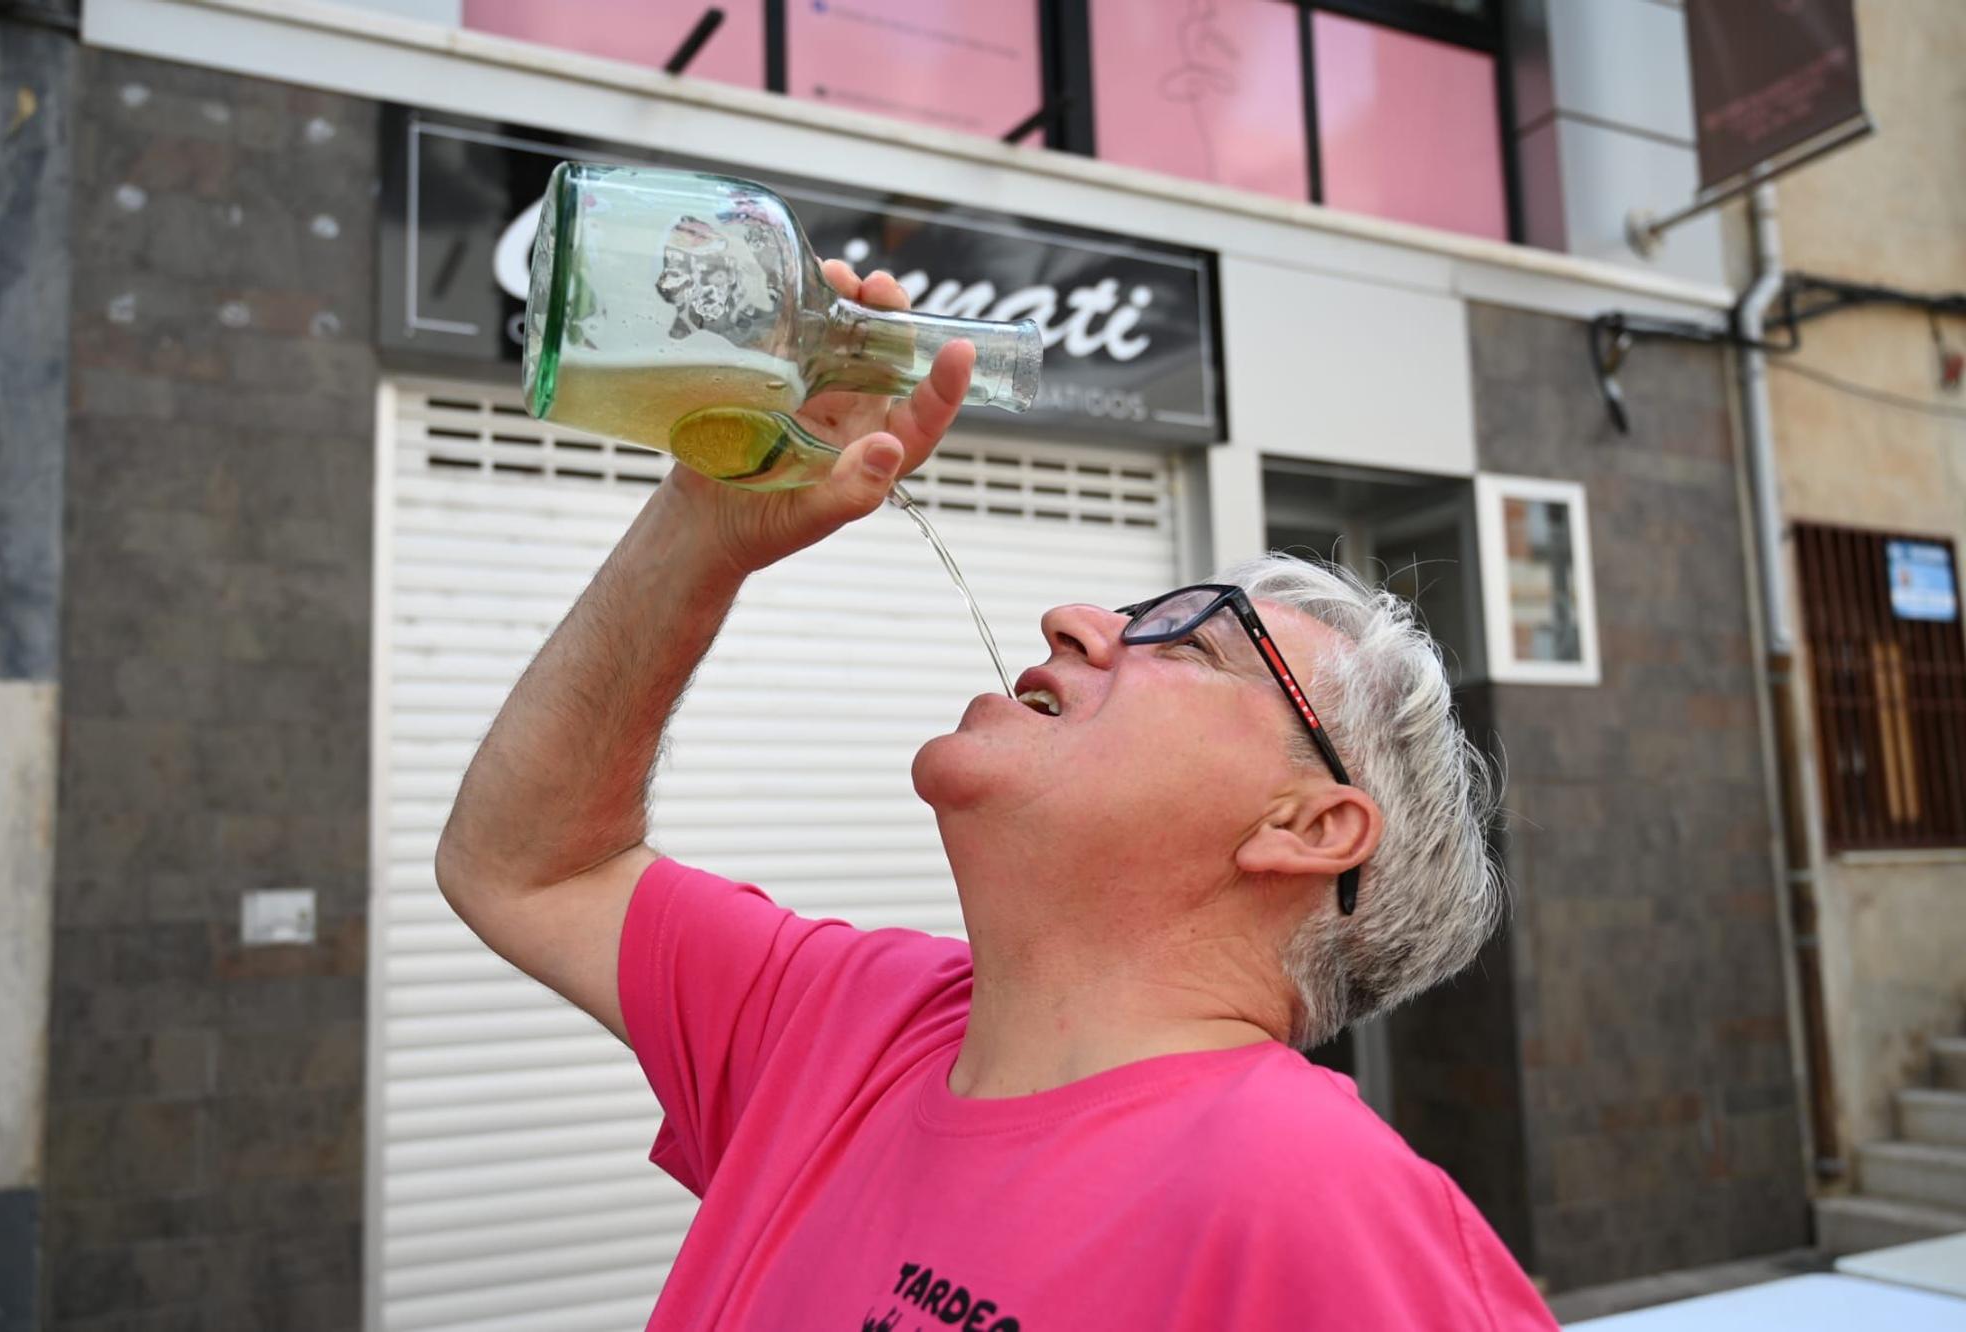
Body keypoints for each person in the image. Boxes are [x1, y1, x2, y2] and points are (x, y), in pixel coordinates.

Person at [437, 262, 1560, 1330]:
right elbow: (533, 867)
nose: (1076, 618)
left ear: (1306, 828)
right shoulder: (850, 1023)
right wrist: (705, 528)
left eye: (1191, 640)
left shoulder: (1318, 1206)